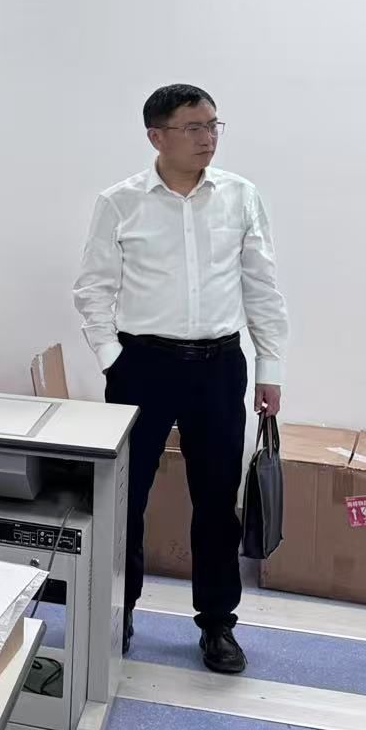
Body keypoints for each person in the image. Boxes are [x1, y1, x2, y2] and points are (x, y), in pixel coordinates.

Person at [73, 84, 288, 676]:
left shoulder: (240, 196)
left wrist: (269, 366)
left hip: (219, 366)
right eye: (193, 127)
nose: (207, 137)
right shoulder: (120, 202)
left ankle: (217, 623)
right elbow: (93, 286)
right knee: (125, 499)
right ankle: (118, 614)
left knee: (217, 501)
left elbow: (262, 285)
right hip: (142, 366)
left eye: (213, 125)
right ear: (157, 136)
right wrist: (112, 359)